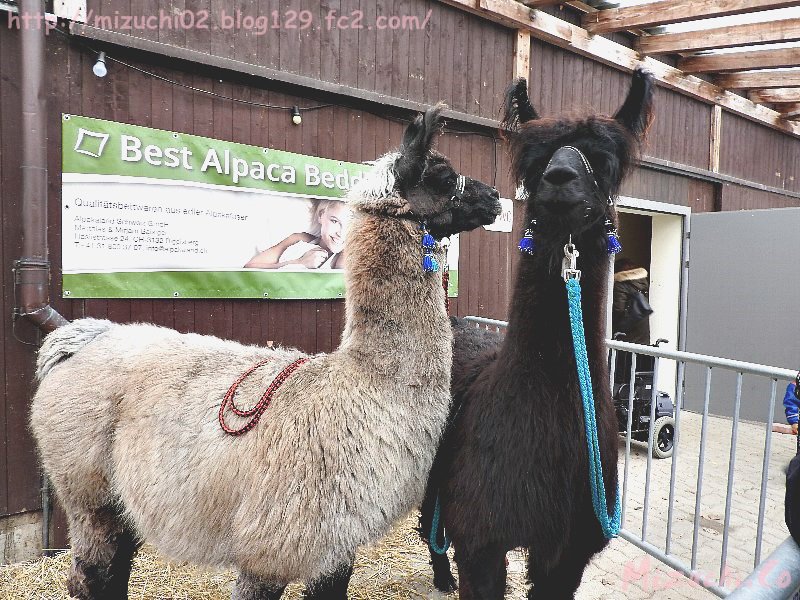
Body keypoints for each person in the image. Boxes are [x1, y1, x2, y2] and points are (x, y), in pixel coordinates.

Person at [244, 199, 352, 270]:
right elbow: (249, 267)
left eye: (350, 225)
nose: (341, 233)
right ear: (321, 215)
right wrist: (300, 263)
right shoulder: (300, 240)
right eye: (334, 221)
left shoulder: (348, 255)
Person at [612, 257, 652, 345]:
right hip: (642, 329)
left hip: (626, 332)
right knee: (640, 354)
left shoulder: (620, 285)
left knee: (625, 356)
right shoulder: (642, 282)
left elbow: (618, 309)